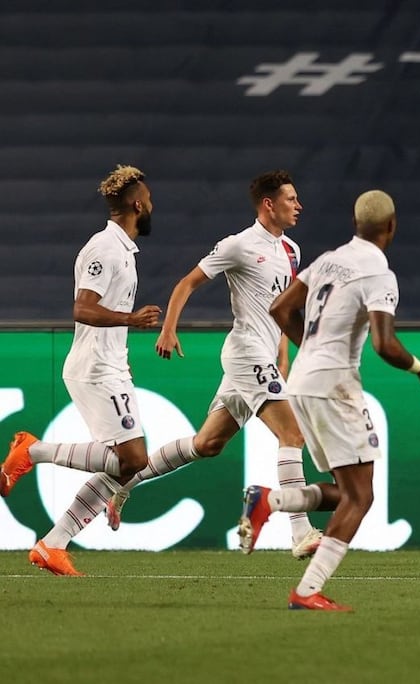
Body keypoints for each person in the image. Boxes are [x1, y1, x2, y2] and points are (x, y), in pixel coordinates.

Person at [102, 170, 323, 559]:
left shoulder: (292, 250)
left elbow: (284, 310)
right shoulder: (238, 245)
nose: (298, 205)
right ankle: (300, 532)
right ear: (268, 204)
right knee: (293, 435)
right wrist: (169, 329)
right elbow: (186, 283)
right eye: (291, 199)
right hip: (245, 353)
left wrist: (285, 355)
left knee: (207, 444)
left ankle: (125, 483)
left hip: (264, 357)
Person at [240, 189, 420, 611]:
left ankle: (270, 501)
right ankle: (306, 591)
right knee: (361, 498)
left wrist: (308, 352)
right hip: (333, 383)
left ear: (355, 223)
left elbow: (279, 309)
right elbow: (385, 345)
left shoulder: (329, 259)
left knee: (349, 491)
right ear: (391, 226)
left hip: (304, 380)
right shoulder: (379, 274)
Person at [1, 165, 162, 575]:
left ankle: (53, 545)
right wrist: (130, 320)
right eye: (150, 200)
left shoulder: (122, 249)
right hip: (94, 369)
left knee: (126, 463)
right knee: (133, 459)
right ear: (137, 205)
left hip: (110, 366)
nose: (153, 206)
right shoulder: (104, 249)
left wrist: (124, 338)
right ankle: (32, 451)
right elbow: (83, 308)